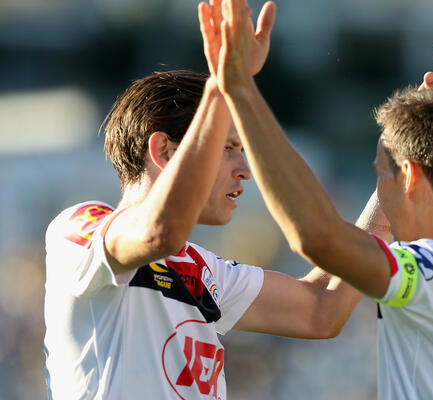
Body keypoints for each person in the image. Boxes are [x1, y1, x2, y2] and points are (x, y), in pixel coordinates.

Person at [209, 0, 433, 398]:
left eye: (381, 176)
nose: (380, 195)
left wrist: (241, 90)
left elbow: (316, 237)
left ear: (410, 176)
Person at [43, 3, 366, 399]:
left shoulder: (197, 267)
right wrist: (223, 86)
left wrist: (394, 185)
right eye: (228, 147)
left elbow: (321, 309)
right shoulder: (77, 228)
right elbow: (159, 231)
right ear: (162, 150)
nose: (244, 169)